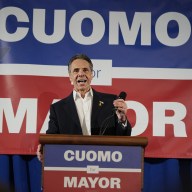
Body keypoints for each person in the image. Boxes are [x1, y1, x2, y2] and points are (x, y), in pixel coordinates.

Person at [37, 53, 132, 161]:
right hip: (72, 165)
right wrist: (44, 147)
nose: (81, 74)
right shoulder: (58, 109)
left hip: (105, 163)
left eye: (85, 70)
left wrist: (122, 119)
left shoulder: (111, 102)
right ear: (70, 77)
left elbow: (124, 137)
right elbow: (52, 138)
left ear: (92, 74)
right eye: (76, 70)